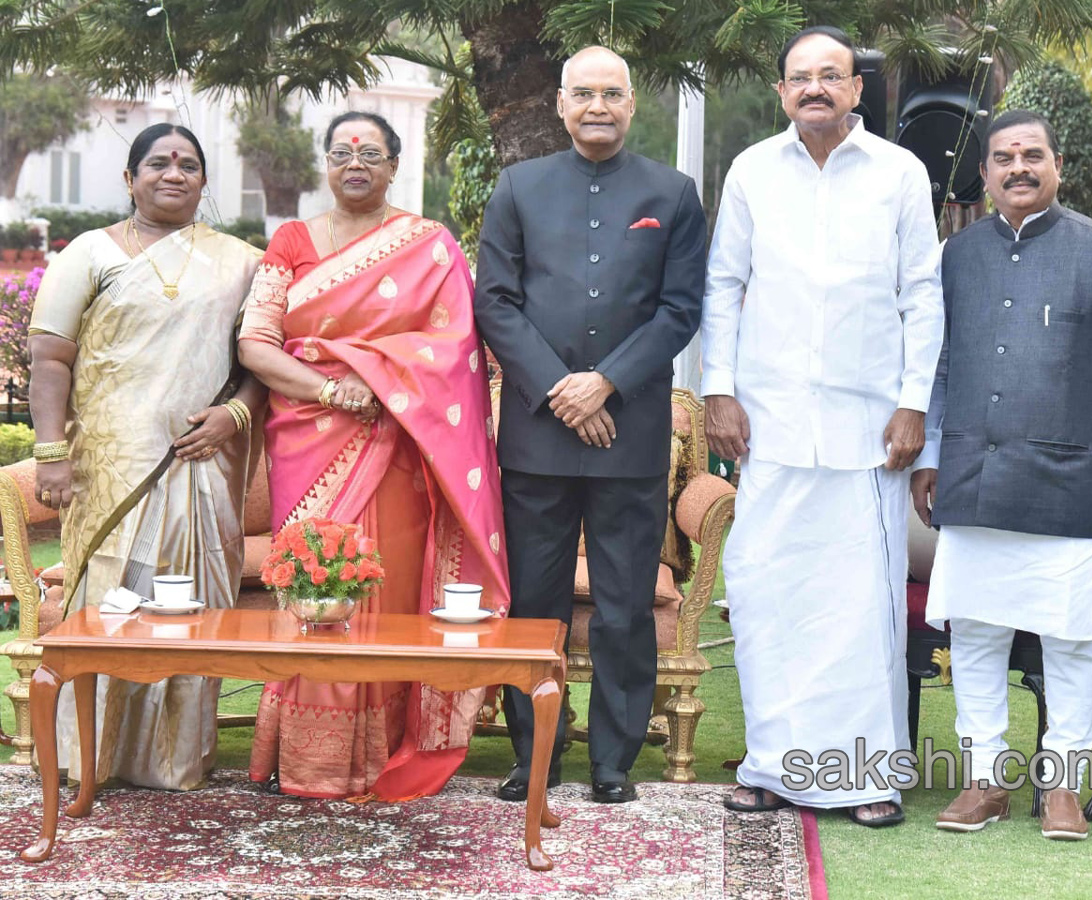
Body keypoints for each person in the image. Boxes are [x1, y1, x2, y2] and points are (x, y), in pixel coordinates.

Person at [702, 26, 943, 825]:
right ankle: (772, 766)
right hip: (767, 426)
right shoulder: (750, 172)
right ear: (781, 93)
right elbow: (724, 285)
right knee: (769, 595)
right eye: (800, 77)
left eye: (829, 76)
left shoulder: (901, 174)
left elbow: (922, 297)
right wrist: (718, 389)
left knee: (860, 605)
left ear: (855, 90)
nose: (814, 88)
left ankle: (867, 776)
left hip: (868, 431)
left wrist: (913, 403)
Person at [239, 111, 509, 800]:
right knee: (312, 586)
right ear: (325, 165)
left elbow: (452, 348)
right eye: (340, 152)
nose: (354, 162)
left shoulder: (429, 245)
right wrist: (335, 386)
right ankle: (301, 759)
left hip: (395, 444)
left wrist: (379, 382)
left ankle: (380, 749)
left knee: (381, 587)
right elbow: (256, 343)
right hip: (308, 436)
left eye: (370, 153)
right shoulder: (292, 241)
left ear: (393, 165)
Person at [912, 109, 1092, 840]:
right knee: (979, 635)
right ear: (985, 173)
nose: (1018, 168)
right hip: (976, 474)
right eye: (1003, 158)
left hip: (1076, 478)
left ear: (1058, 166)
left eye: (1032, 155)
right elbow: (941, 366)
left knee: (1074, 640)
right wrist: (930, 456)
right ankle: (984, 782)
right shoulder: (952, 256)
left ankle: (1062, 787)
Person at [474, 45, 706, 804]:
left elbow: (680, 310)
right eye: (584, 94)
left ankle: (613, 762)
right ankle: (530, 753)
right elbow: (496, 303)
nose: (598, 107)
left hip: (630, 433)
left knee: (622, 607)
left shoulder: (671, 193)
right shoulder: (519, 187)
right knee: (531, 605)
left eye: (612, 94)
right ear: (562, 105)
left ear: (633, 104)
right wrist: (560, 390)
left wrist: (605, 384)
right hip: (539, 437)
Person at [28, 123, 264, 790]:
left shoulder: (241, 262)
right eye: (157, 162)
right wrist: (50, 453)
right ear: (129, 179)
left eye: (189, 164)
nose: (173, 173)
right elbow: (50, 358)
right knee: (110, 606)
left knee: (189, 608)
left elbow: (260, 364)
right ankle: (88, 757)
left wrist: (235, 414)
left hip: (201, 468)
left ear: (204, 182)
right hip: (113, 465)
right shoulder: (89, 253)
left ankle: (174, 761)